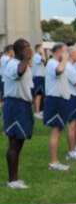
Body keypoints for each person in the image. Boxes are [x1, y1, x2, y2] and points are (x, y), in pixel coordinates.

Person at [4, 39, 34, 189]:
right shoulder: (12, 64)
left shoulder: (24, 63)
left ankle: (15, 178)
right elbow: (19, 73)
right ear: (20, 51)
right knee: (14, 142)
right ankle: (12, 180)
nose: (30, 51)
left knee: (20, 142)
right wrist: (26, 58)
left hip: (23, 105)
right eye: (27, 49)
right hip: (14, 105)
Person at [44, 43, 72, 171]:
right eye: (65, 52)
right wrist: (65, 59)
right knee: (56, 131)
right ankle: (53, 162)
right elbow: (59, 71)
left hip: (61, 100)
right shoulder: (52, 63)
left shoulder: (57, 63)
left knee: (58, 131)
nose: (67, 54)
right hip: (55, 100)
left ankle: (54, 161)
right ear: (59, 52)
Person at [31, 43, 45, 119]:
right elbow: (44, 60)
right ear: (37, 49)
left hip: (40, 76)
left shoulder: (38, 56)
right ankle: (37, 112)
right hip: (38, 77)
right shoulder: (37, 56)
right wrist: (43, 53)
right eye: (41, 48)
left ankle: (39, 111)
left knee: (40, 95)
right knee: (38, 95)